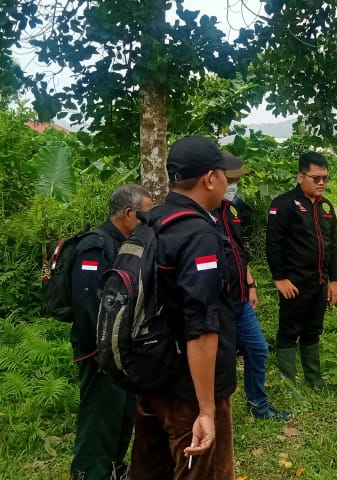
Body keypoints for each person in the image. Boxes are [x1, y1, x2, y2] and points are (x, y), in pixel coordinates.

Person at [129, 136, 242, 480]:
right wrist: (206, 409)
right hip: (188, 389)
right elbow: (202, 325)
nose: (227, 183)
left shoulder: (152, 223)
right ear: (210, 178)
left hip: (152, 378)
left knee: (151, 470)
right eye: (224, 175)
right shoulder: (197, 234)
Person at [69, 184, 153, 479]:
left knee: (122, 415)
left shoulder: (127, 244)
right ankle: (90, 473)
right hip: (100, 353)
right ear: (130, 214)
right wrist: (102, 352)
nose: (151, 221)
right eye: (147, 213)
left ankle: (114, 468)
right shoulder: (96, 245)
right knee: (100, 419)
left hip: (122, 353)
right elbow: (86, 303)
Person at [212, 156, 292, 420]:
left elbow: (238, 252)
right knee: (217, 358)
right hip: (215, 301)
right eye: (230, 180)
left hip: (240, 297)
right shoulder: (201, 215)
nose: (233, 185)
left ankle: (258, 405)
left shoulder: (230, 211)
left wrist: (251, 283)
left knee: (257, 349)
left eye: (236, 180)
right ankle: (209, 412)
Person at [266, 151, 337, 390]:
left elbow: (333, 245)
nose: (321, 183)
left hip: (319, 282)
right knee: (289, 331)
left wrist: (334, 281)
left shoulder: (326, 208)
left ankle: (314, 381)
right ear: (300, 177)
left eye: (325, 178)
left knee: (313, 331)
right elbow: (273, 243)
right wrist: (279, 278)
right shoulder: (284, 204)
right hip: (294, 283)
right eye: (316, 178)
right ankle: (289, 385)